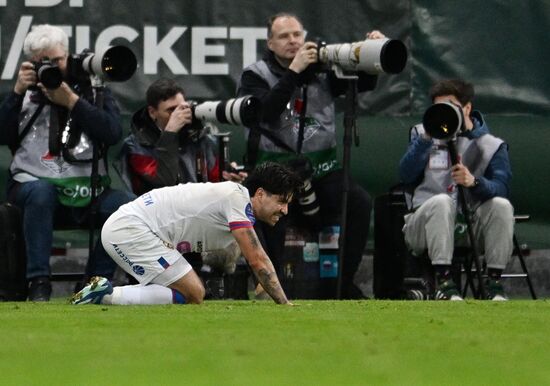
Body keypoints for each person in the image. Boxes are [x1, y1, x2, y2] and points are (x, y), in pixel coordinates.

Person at [237, 12, 379, 299]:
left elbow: (362, 83)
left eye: (297, 35)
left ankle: (341, 284)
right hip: (274, 173)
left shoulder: (323, 68)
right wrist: (294, 72)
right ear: (270, 43)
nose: (292, 41)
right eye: (283, 36)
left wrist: (371, 53)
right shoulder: (255, 74)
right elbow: (265, 113)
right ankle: (269, 285)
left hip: (322, 170)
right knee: (264, 211)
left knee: (359, 202)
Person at [0, 24, 135, 301]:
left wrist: (73, 101)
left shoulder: (92, 89)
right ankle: (39, 283)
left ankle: (94, 283)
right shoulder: (24, 92)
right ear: (31, 63)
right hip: (33, 187)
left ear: (68, 56)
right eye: (43, 63)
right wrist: (15, 93)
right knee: (41, 192)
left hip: (88, 190)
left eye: (58, 61)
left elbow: (112, 133)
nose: (53, 68)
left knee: (126, 207)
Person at [70, 162, 301, 305]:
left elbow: (253, 259)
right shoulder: (236, 200)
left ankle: (104, 292)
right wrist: (283, 303)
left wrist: (263, 286)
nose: (285, 210)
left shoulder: (237, 204)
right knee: (194, 292)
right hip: (131, 229)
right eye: (281, 201)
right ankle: (106, 294)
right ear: (260, 193)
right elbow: (257, 258)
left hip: (132, 228)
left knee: (184, 293)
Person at [399, 79, 514, 301]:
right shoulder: (422, 133)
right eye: (438, 108)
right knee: (442, 201)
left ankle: (494, 284)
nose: (444, 113)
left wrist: (475, 182)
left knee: (502, 205)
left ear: (467, 108)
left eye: (450, 106)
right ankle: (444, 282)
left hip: (470, 227)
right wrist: (426, 138)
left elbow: (502, 187)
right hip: (423, 226)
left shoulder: (491, 145)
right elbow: (405, 175)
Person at [117, 77, 247, 196]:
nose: (179, 114)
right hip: (157, 213)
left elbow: (213, 181)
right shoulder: (136, 146)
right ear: (152, 112)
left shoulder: (199, 137)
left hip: (199, 207)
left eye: (181, 108)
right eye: (171, 110)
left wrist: (227, 179)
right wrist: (170, 132)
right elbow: (164, 183)